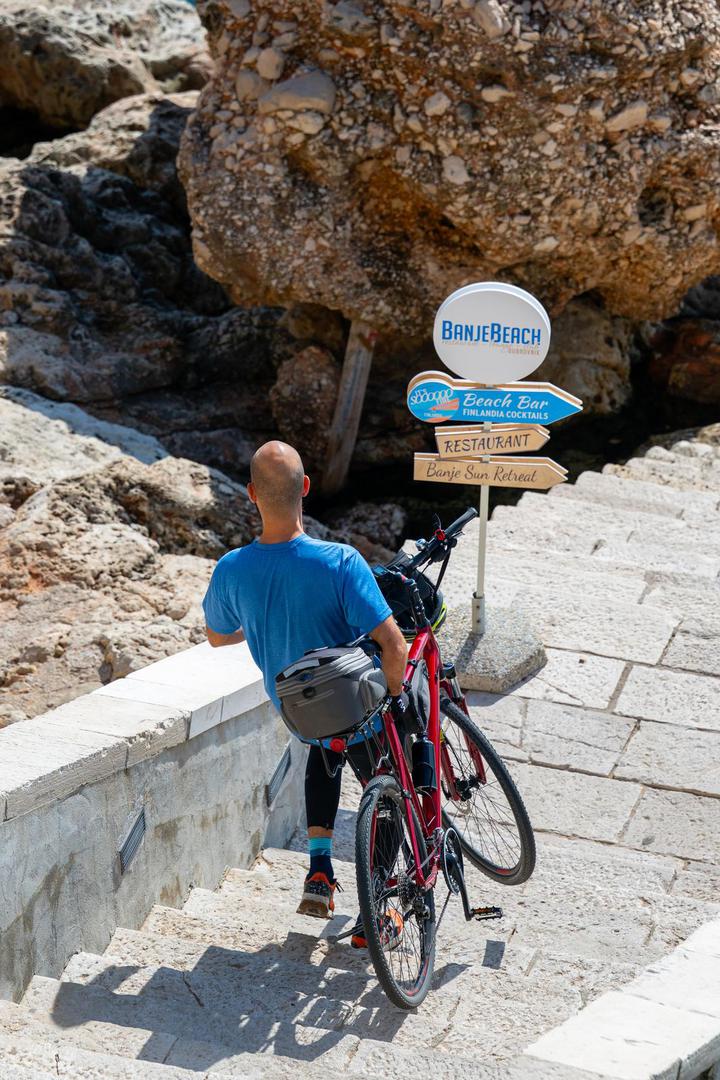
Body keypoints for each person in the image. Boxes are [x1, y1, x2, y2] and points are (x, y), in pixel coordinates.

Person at [202, 440, 410, 944]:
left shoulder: (232, 569)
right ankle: (378, 906)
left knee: (324, 748)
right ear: (307, 488)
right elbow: (393, 645)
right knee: (391, 789)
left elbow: (217, 636)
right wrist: (395, 696)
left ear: (252, 494)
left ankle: (319, 870)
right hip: (355, 705)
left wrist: (260, 621)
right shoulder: (339, 562)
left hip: (299, 711)